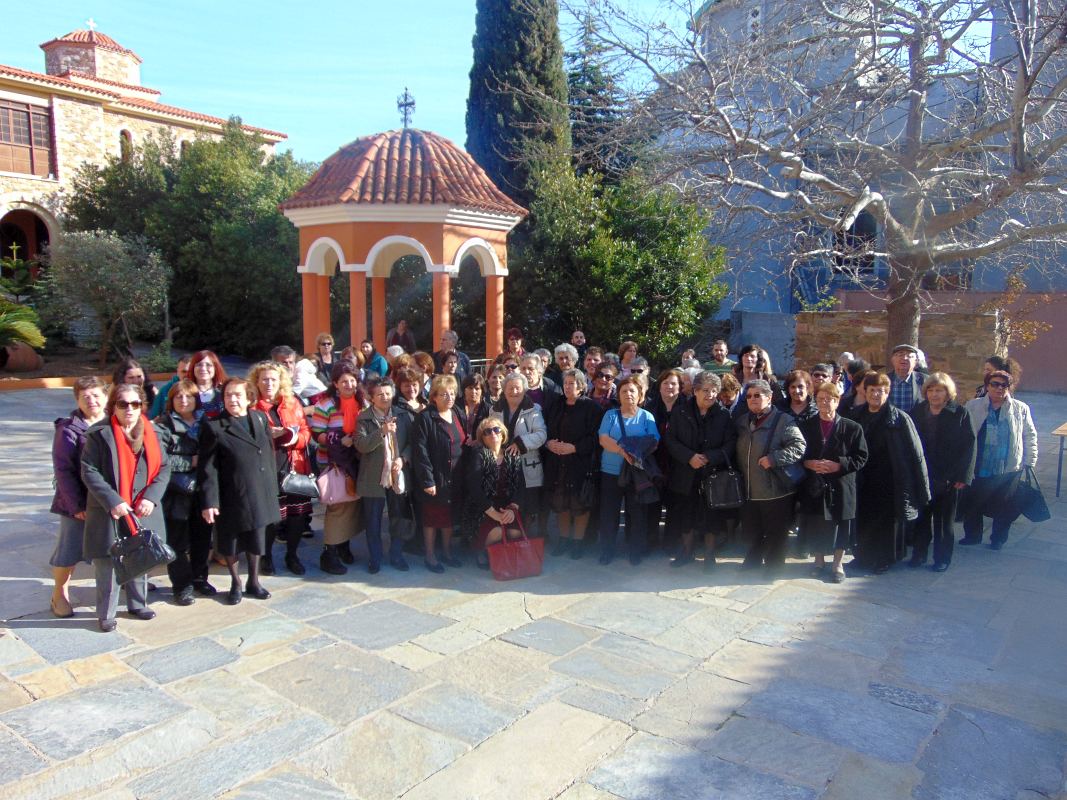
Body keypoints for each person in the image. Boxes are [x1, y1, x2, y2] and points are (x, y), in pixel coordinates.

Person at [81, 384, 171, 632]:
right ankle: (106, 614)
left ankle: (138, 604)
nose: (129, 409)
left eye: (135, 404)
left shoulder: (153, 432)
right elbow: (89, 471)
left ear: (142, 406)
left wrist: (151, 498)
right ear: (113, 407)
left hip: (142, 508)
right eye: (123, 404)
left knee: (141, 556)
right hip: (110, 509)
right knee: (108, 563)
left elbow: (164, 468)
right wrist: (114, 501)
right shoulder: (99, 434)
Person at [198, 378, 279, 604]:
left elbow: (268, 453)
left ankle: (254, 581)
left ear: (249, 398)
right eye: (228, 395)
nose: (232, 399)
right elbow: (208, 468)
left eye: (237, 395)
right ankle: (236, 582)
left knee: (256, 538)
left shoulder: (260, 418)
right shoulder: (214, 426)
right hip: (231, 494)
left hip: (259, 490)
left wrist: (271, 489)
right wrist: (209, 501)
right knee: (231, 541)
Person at [853, 373, 931, 573]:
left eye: (881, 391)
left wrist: (922, 488)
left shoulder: (900, 418)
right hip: (863, 477)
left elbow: (916, 453)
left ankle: (884, 558)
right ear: (865, 392)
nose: (876, 394)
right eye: (872, 390)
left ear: (887, 393)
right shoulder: (857, 415)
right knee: (864, 518)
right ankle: (863, 555)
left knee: (887, 522)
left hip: (891, 478)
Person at [664, 371, 737, 569]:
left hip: (712, 474)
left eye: (714, 391)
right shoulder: (680, 412)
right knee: (685, 515)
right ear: (695, 391)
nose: (710, 395)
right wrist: (689, 457)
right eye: (705, 390)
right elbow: (670, 439)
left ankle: (709, 556)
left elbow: (730, 443)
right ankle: (687, 553)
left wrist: (710, 457)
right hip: (685, 473)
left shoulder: (724, 415)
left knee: (712, 517)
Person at [49, 376, 108, 618]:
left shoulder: (115, 422)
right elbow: (63, 470)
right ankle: (59, 593)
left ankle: (126, 583)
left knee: (114, 546)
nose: (91, 400)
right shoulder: (68, 429)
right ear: (77, 400)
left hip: (109, 500)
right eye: (85, 396)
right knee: (70, 550)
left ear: (106, 397)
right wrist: (75, 505)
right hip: (78, 502)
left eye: (95, 395)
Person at [798, 382, 868, 583]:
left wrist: (839, 465)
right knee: (816, 522)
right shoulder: (806, 426)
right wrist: (808, 463)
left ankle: (838, 564)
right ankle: (819, 561)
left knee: (841, 524)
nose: (824, 403)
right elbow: (797, 452)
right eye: (820, 399)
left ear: (837, 402)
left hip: (841, 484)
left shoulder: (852, 427)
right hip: (815, 483)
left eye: (829, 399)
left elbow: (862, 457)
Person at [961, 370, 1038, 550]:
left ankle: (998, 539)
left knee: (1005, 506)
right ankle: (972, 536)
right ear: (987, 386)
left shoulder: (1020, 408)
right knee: (973, 502)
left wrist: (1030, 460)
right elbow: (963, 434)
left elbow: (1029, 435)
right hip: (979, 464)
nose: (999, 388)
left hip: (1008, 466)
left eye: (1004, 385)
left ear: (1009, 388)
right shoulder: (973, 406)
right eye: (995, 384)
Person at [249, 360, 312, 577]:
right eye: (264, 379)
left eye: (273, 380)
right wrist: (269, 436)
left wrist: (291, 437)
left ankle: (292, 555)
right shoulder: (251, 406)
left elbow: (305, 431)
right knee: (271, 518)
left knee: (297, 516)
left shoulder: (292, 403)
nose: (269, 384)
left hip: (294, 466)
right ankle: (266, 557)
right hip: (266, 469)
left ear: (281, 382)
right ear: (257, 382)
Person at [735, 379, 805, 571]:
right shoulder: (742, 421)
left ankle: (774, 566)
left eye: (758, 395)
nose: (753, 399)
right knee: (752, 529)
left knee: (776, 532)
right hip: (749, 488)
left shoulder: (783, 420)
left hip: (776, 490)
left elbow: (799, 446)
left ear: (769, 397)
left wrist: (774, 459)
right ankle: (753, 560)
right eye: (749, 396)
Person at [909, 373, 975, 570]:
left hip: (948, 477)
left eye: (939, 390)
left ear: (948, 393)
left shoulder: (960, 413)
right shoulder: (918, 411)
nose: (934, 394)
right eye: (931, 390)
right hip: (923, 474)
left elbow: (969, 446)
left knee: (944, 522)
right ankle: (919, 554)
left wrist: (963, 476)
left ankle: (942, 559)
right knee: (921, 518)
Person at [597, 375, 660, 565]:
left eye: (632, 390)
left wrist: (636, 452)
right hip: (611, 472)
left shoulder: (647, 416)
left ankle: (636, 551)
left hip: (636, 473)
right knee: (609, 513)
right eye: (624, 391)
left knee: (637, 513)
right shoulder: (610, 415)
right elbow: (603, 439)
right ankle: (607, 550)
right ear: (618, 395)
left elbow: (654, 441)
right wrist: (623, 451)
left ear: (640, 394)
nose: (628, 394)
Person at [310, 362, 365, 575]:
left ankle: (343, 545)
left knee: (352, 503)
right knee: (337, 505)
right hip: (333, 462)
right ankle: (329, 552)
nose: (349, 384)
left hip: (356, 460)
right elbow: (317, 433)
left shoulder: (362, 402)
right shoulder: (326, 404)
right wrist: (339, 440)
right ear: (335, 383)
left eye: (352, 380)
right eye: (344, 381)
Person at [154, 380, 205, 606]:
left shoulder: (205, 423)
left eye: (189, 396)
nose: (184, 401)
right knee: (177, 542)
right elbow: (159, 460)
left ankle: (200, 579)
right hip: (176, 492)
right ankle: (182, 586)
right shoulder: (162, 425)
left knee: (201, 538)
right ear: (171, 401)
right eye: (178, 397)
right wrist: (189, 462)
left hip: (202, 490)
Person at [355, 377, 413, 573]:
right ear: (372, 397)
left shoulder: (402, 415)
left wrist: (403, 459)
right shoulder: (364, 418)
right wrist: (382, 431)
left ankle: (397, 554)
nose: (385, 397)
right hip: (373, 477)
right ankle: (375, 558)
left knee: (399, 517)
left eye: (388, 393)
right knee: (373, 520)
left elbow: (412, 443)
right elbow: (361, 445)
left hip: (397, 474)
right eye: (380, 394)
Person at [412, 375, 468, 572]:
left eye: (452, 393)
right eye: (444, 394)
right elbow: (420, 452)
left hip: (455, 478)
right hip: (436, 478)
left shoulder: (457, 413)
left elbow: (464, 440)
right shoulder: (425, 418)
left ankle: (447, 552)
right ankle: (430, 556)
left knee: (449, 518)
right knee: (432, 519)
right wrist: (428, 480)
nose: (449, 397)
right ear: (434, 397)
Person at [544, 369, 602, 559]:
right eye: (566, 383)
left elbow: (596, 437)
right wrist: (548, 443)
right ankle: (563, 540)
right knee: (561, 502)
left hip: (580, 463)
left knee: (579, 503)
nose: (568, 387)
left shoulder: (592, 407)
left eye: (572, 383)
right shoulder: (556, 404)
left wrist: (575, 448)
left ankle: (578, 542)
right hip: (557, 461)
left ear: (582, 386)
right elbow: (545, 428)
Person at [489, 371, 548, 539]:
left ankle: (524, 541)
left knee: (526, 506)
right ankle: (506, 540)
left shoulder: (533, 409)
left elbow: (541, 434)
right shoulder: (495, 409)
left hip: (526, 463)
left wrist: (520, 443)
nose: (514, 391)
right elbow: (489, 431)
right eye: (510, 388)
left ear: (525, 390)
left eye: (518, 388)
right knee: (504, 503)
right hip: (502, 464)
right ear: (504, 389)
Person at [465, 418, 525, 568]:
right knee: (497, 531)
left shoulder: (512, 454)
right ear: (482, 437)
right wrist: (494, 514)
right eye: (487, 431)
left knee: (514, 532)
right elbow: (475, 489)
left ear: (502, 433)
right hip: (484, 506)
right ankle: (483, 551)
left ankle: (504, 552)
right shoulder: (479, 455)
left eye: (496, 430)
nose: (493, 433)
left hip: (507, 506)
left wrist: (512, 509)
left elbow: (521, 485)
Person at [645, 368, 685, 553]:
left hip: (679, 463)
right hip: (655, 463)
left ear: (680, 387)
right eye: (666, 383)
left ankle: (671, 542)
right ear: (659, 386)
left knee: (676, 505)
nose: (669, 386)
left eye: (674, 384)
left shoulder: (687, 407)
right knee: (652, 504)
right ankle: (651, 540)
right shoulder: (650, 408)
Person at [188, 350, 229, 421]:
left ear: (215, 368)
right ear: (193, 368)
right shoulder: (185, 391)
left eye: (208, 365)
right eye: (199, 365)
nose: (203, 368)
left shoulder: (224, 391)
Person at [149, 355, 191, 419]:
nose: (187, 375)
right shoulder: (165, 390)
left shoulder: (202, 389)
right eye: (184, 372)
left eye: (190, 372)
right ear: (177, 371)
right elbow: (153, 416)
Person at [888, 344, 925, 414]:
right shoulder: (883, 381)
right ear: (892, 360)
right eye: (900, 355)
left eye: (909, 356)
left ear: (916, 361)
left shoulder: (925, 380)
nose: (904, 358)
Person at [460, 373, 492, 444]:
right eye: (470, 388)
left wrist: (478, 440)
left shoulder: (488, 409)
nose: (473, 391)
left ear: (482, 390)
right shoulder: (456, 406)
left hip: (479, 446)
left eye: (477, 388)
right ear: (464, 389)